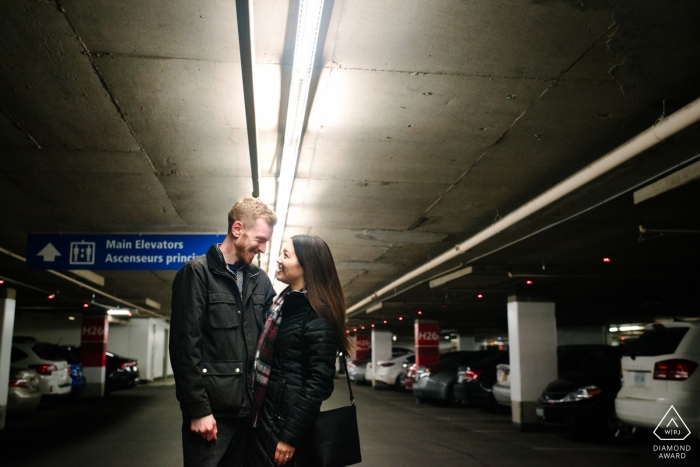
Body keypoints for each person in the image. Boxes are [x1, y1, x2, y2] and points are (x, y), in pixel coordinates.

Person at [169, 197, 277, 467]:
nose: (263, 249)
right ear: (237, 229)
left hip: (250, 415)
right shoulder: (197, 274)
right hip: (212, 417)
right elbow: (185, 348)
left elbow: (273, 339)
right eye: (260, 240)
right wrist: (198, 410)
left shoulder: (260, 280)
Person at [247, 235, 352, 467]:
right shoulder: (283, 305)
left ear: (307, 266)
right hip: (266, 419)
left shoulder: (318, 316)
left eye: (286, 255)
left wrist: (289, 436)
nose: (278, 260)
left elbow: (318, 385)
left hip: (283, 427)